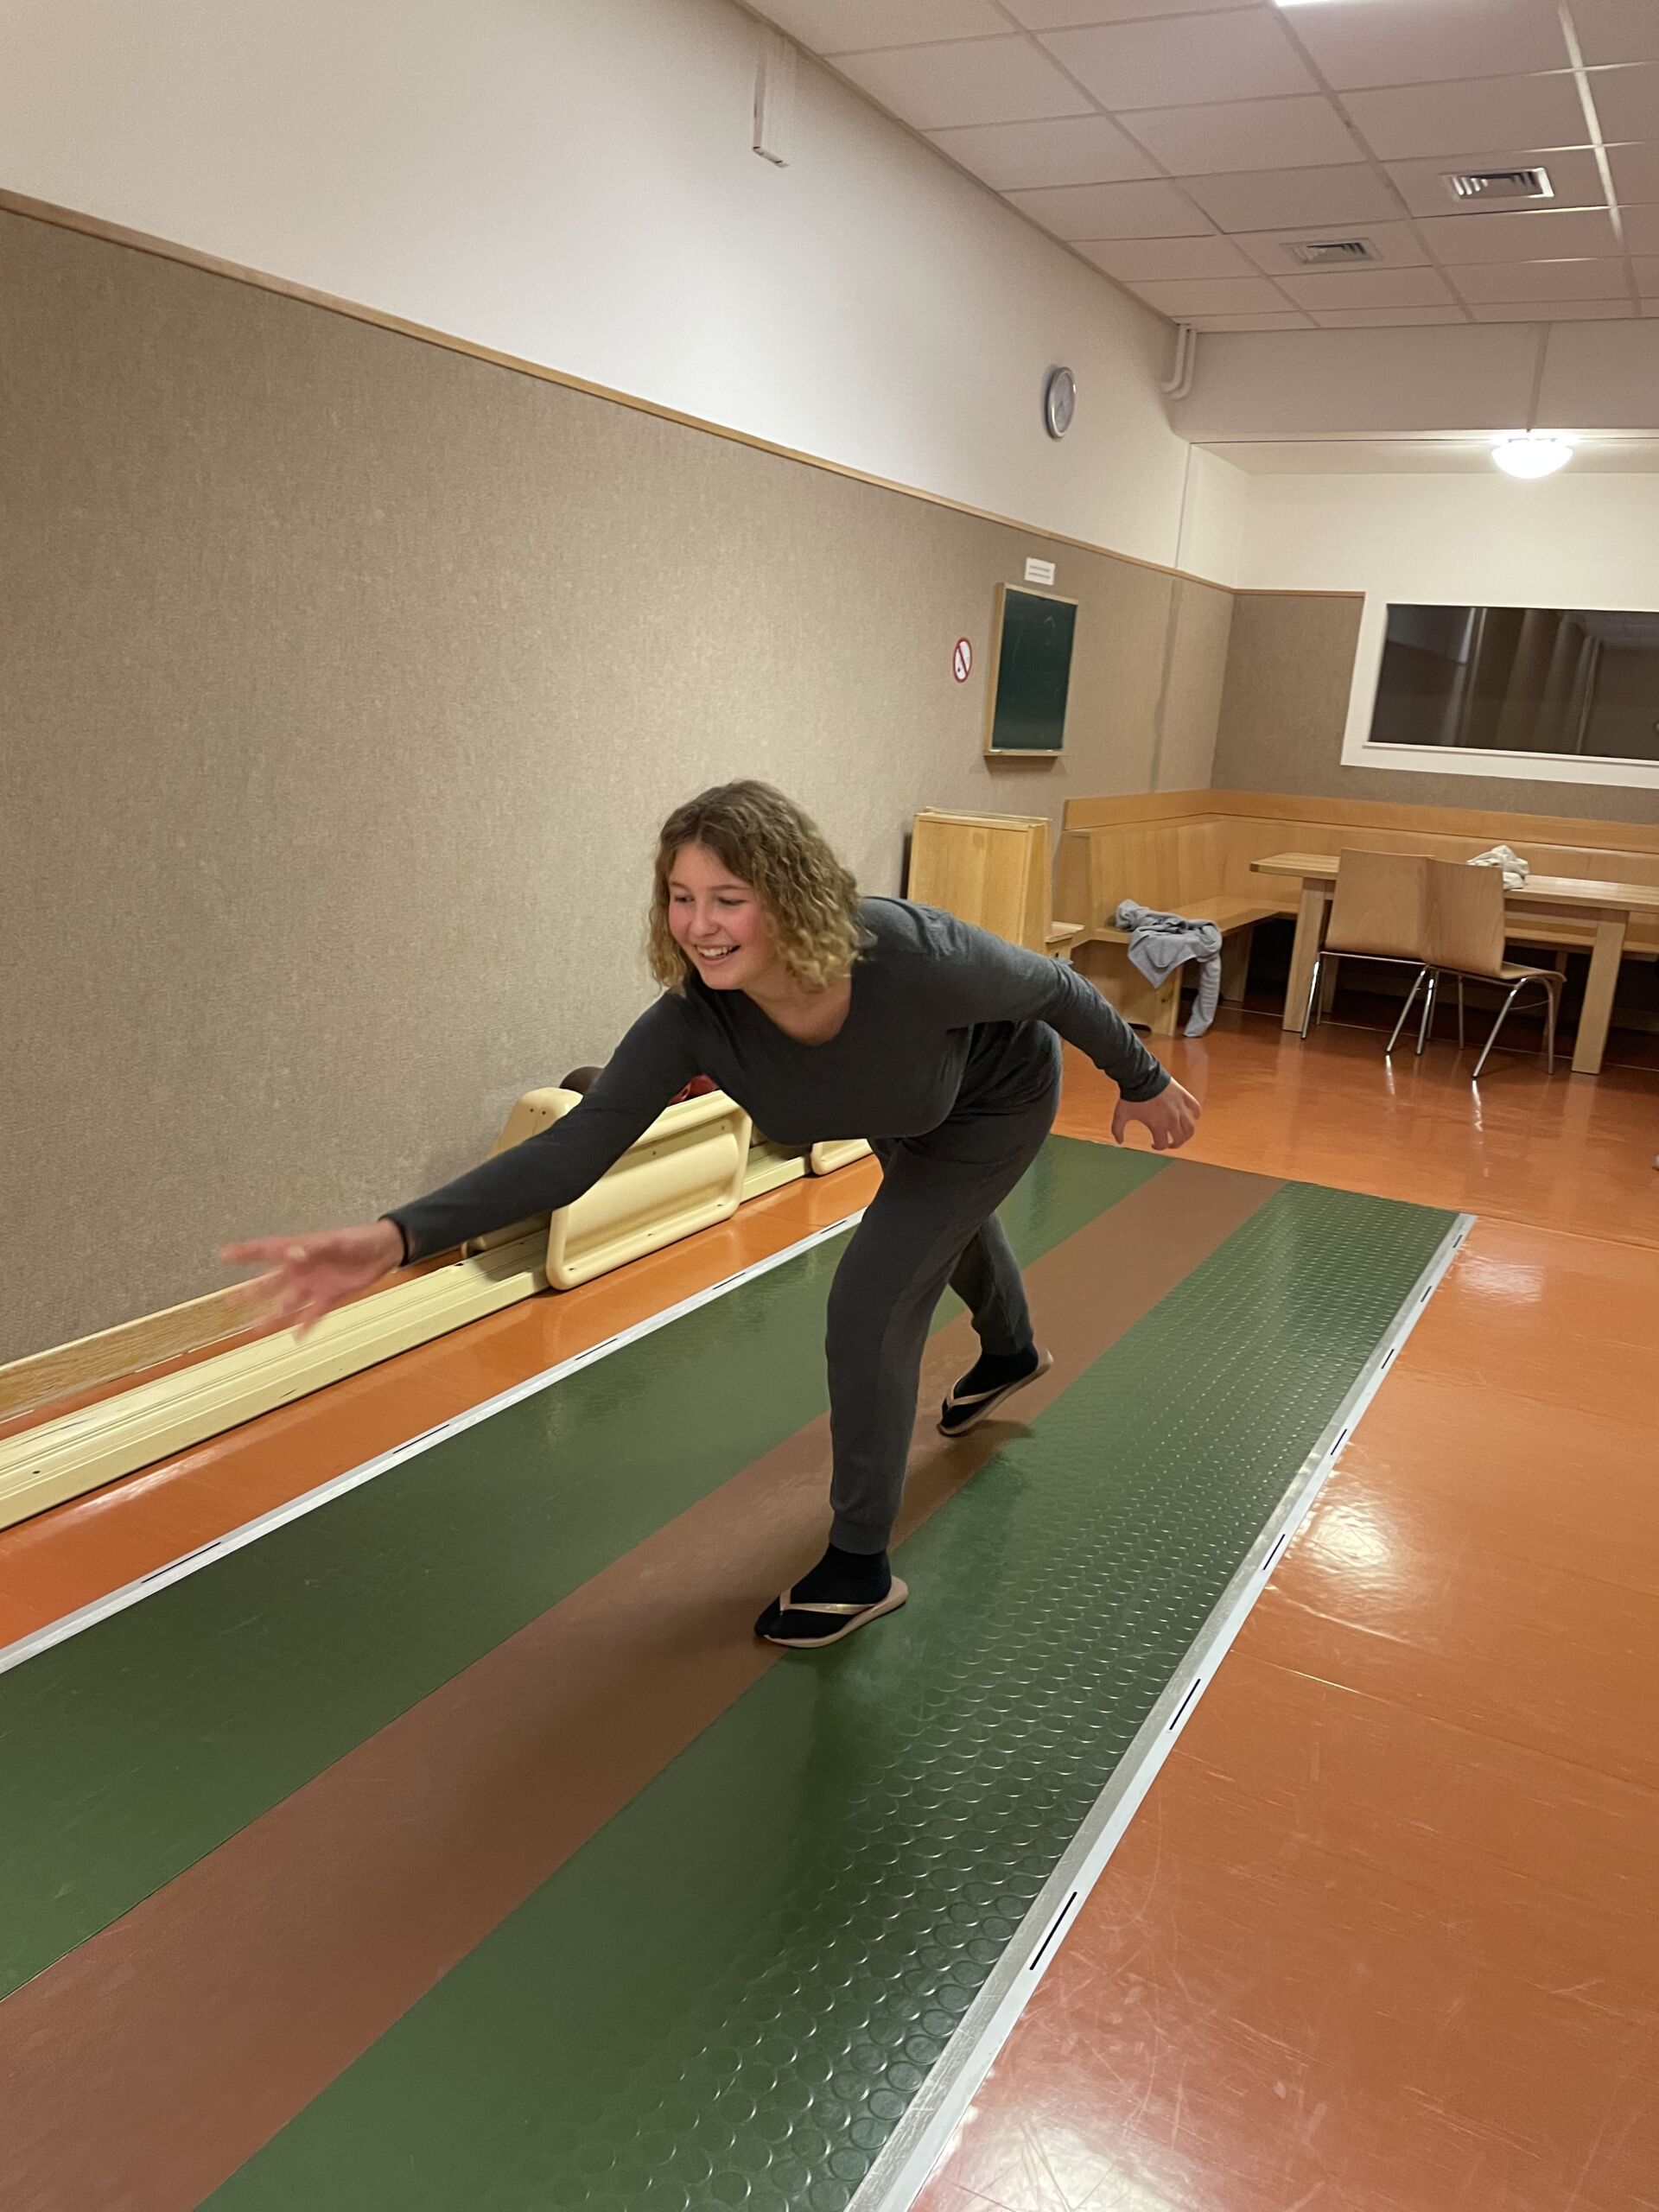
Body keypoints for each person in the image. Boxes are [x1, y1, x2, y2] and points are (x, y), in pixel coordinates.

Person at [221, 782, 1199, 1649]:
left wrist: (1144, 1079)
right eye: (680, 898)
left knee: (873, 1296)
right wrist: (397, 1237)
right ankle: (1011, 1351)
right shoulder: (695, 1019)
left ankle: (860, 1566)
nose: (700, 925)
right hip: (900, 1105)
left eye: (728, 898)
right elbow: (573, 1149)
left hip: (993, 1097)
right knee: (929, 1232)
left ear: (792, 894)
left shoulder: (908, 954)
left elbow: (1057, 987)